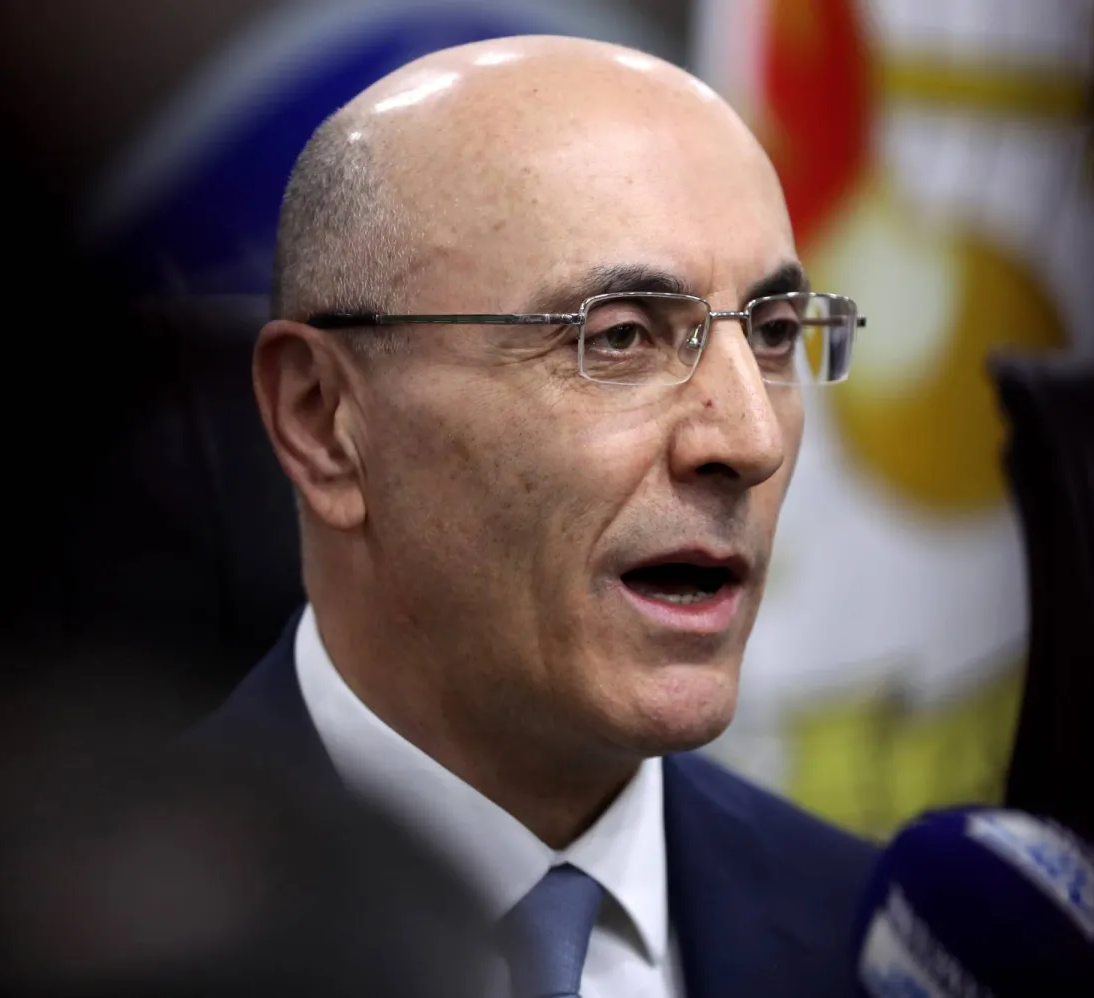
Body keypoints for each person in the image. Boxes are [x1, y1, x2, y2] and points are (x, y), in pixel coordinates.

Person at [194, 34, 879, 998]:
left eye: (771, 335)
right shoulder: (60, 941)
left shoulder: (875, 943)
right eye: (621, 337)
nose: (750, 439)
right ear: (322, 420)